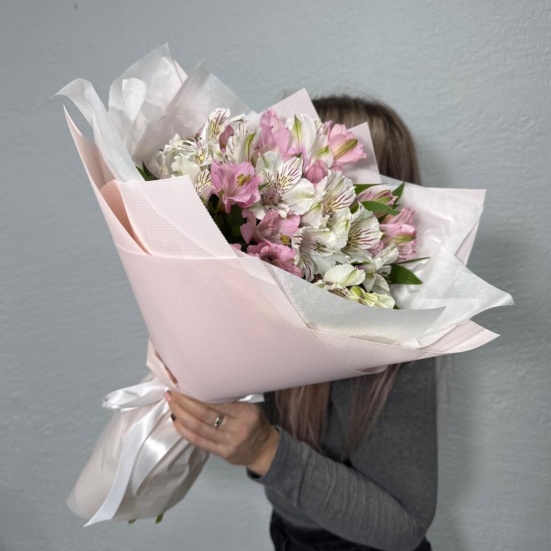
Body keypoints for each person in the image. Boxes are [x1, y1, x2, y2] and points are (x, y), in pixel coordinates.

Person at [164, 96, 437, 551]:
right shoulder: (284, 290)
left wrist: (264, 450)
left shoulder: (399, 344)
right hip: (288, 533)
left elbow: (404, 527)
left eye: (317, 172)